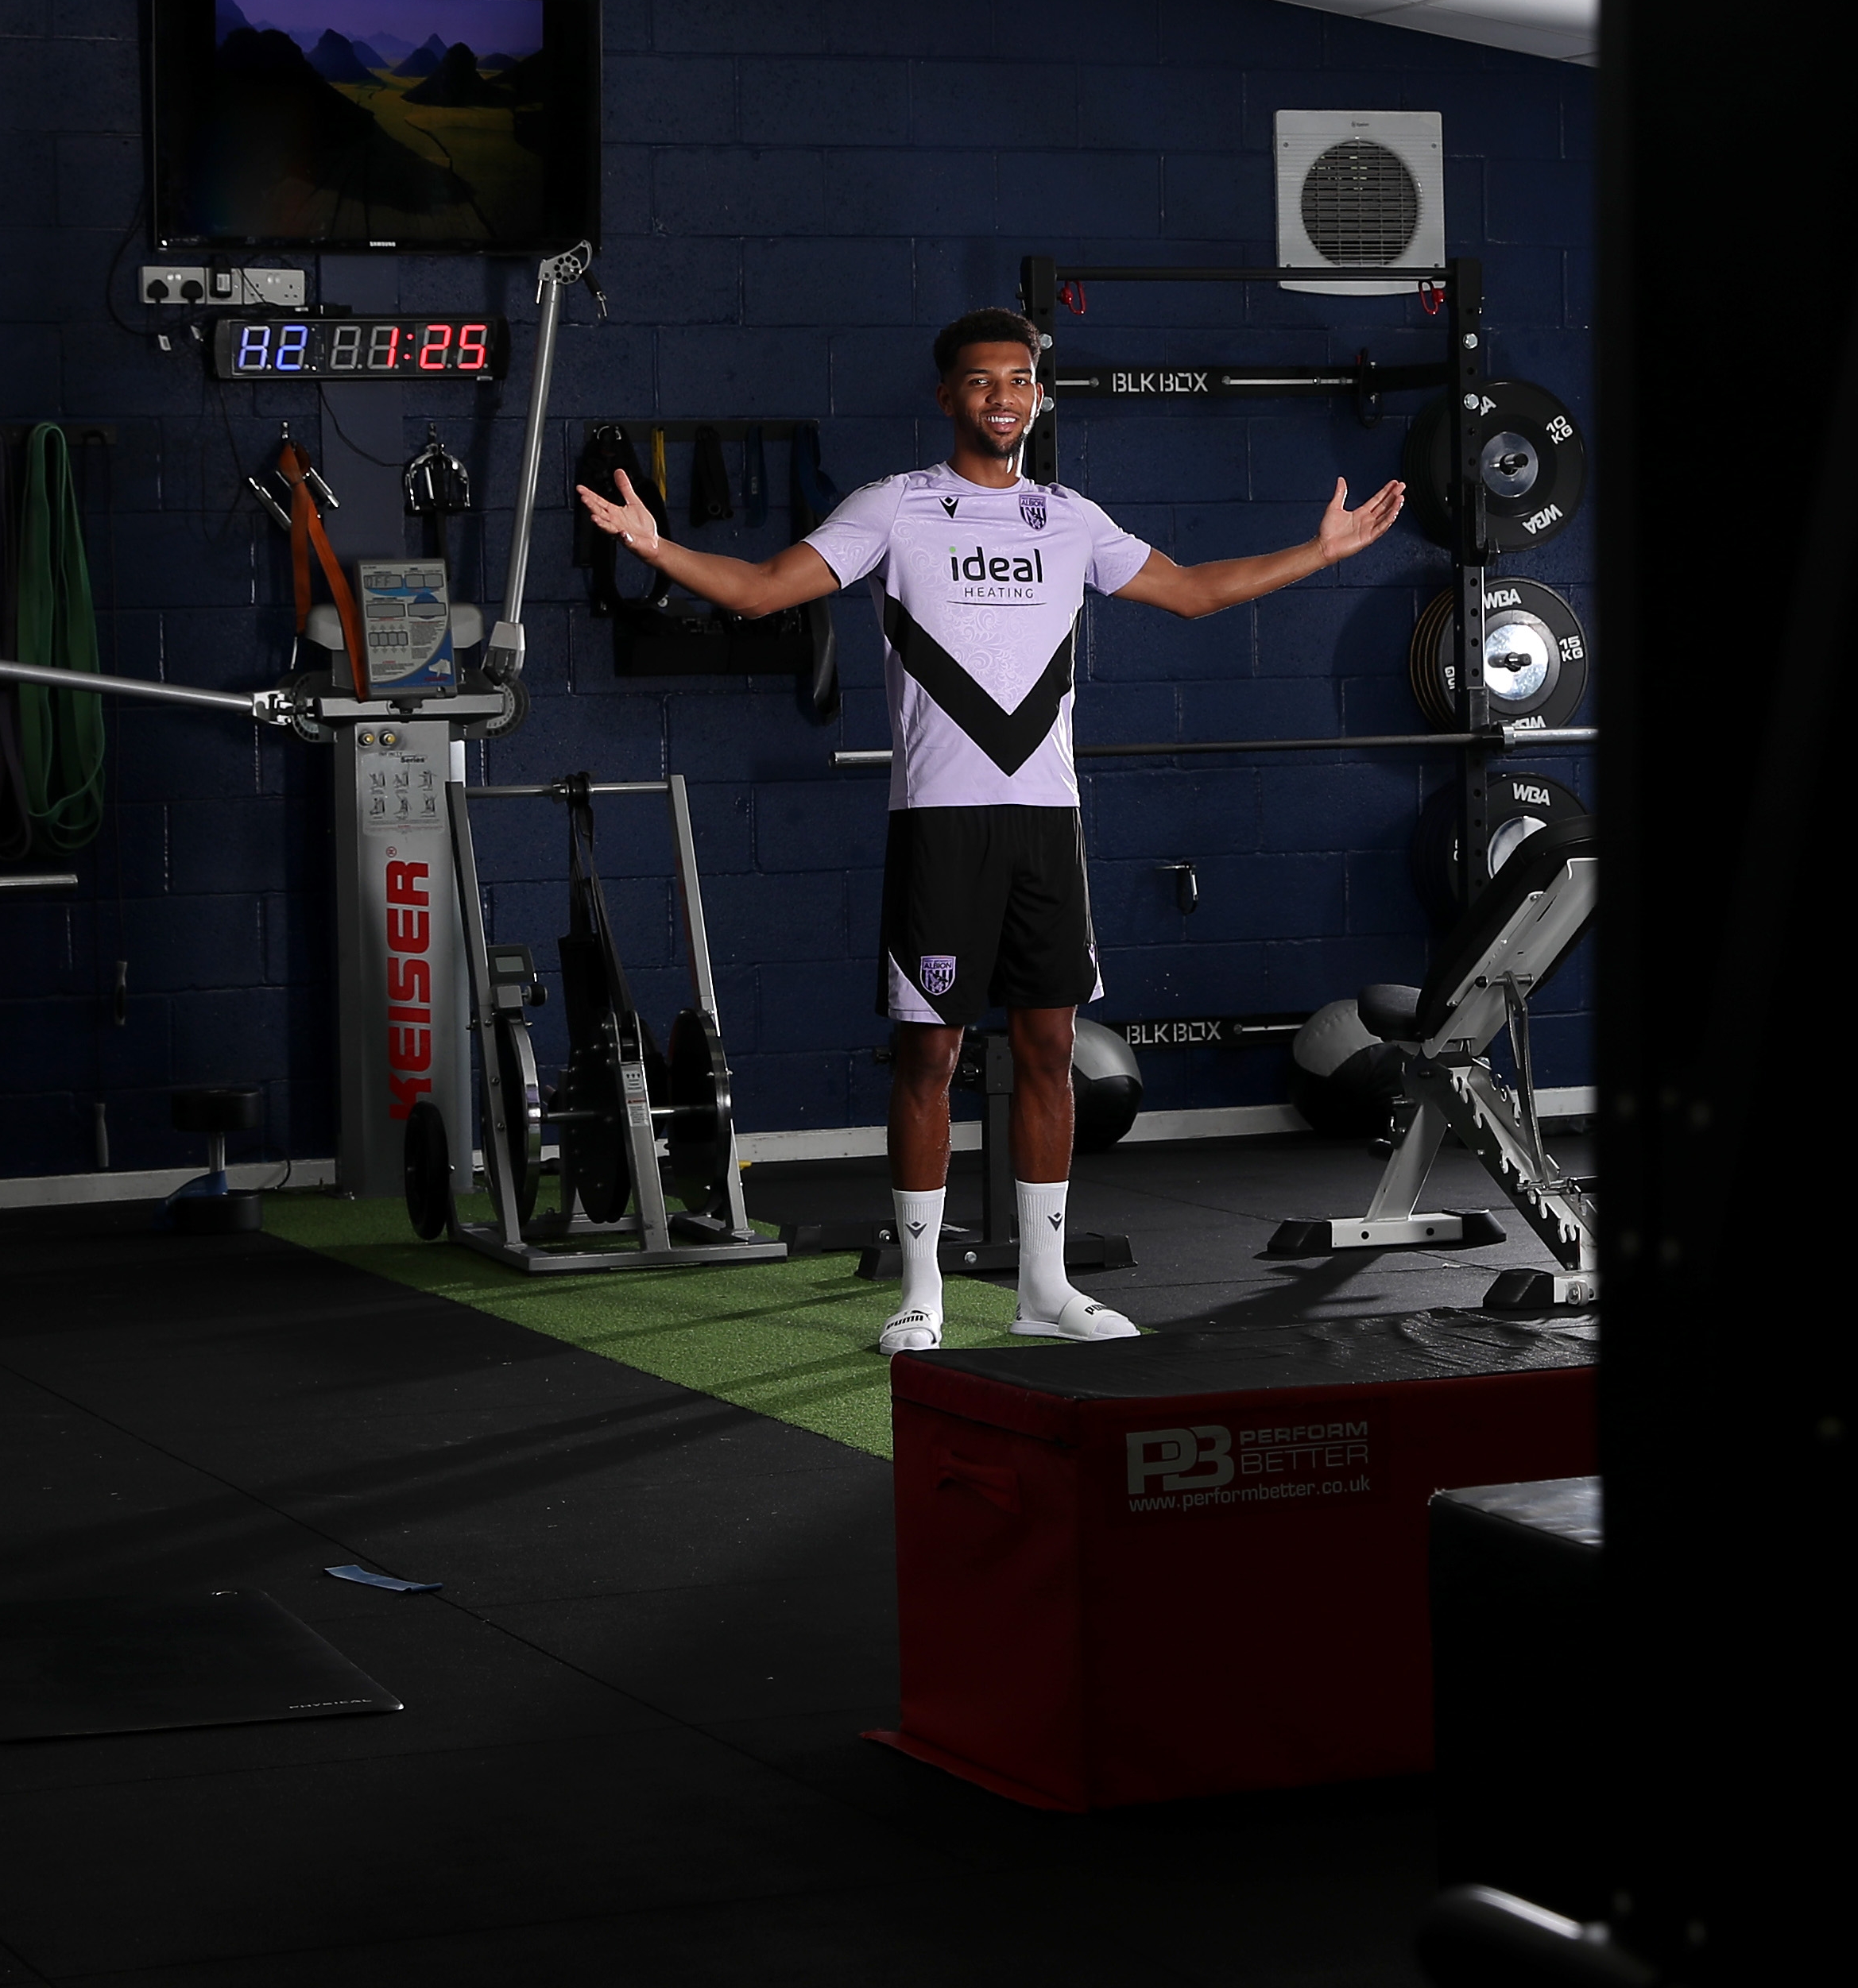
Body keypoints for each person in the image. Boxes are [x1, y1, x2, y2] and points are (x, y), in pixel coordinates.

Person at [574, 306, 1406, 1352]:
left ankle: (1045, 1289)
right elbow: (760, 591)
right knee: (928, 1054)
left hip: (1044, 823)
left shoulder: (1070, 520)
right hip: (942, 824)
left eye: (1020, 379)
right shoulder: (894, 510)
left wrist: (1319, 552)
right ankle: (920, 1291)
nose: (1003, 396)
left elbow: (1192, 593)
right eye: (981, 380)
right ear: (948, 396)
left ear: (1038, 396)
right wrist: (659, 547)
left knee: (1050, 1047)